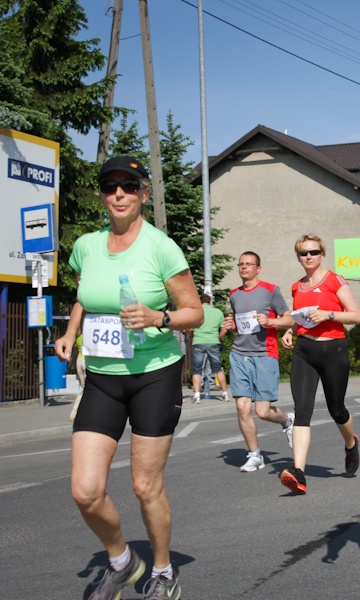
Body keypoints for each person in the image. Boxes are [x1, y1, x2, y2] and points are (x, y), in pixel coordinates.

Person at [54, 156, 203, 600]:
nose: (118, 193)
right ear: (102, 194)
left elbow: (194, 312)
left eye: (129, 186)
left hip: (154, 376)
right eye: (110, 186)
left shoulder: (161, 248)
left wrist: (158, 317)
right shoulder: (86, 246)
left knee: (144, 485)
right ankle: (122, 561)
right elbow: (85, 296)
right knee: (85, 490)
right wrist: (70, 332)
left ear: (143, 194)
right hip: (103, 377)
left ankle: (163, 570)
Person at [278, 234, 360, 495]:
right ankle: (298, 472)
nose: (309, 256)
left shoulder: (335, 280)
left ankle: (350, 443)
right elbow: (301, 317)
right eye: (304, 253)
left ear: (322, 254)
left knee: (337, 409)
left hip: (333, 349)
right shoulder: (297, 287)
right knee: (302, 412)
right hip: (305, 351)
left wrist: (329, 314)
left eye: (314, 252)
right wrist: (291, 330)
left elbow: (356, 316)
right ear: (298, 257)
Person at [223, 251, 295, 473]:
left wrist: (270, 321)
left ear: (258, 269)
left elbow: (289, 319)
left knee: (263, 411)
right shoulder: (234, 294)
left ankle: (287, 421)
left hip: (264, 354)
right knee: (242, 406)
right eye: (241, 264)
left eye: (249, 264)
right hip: (239, 354)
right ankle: (255, 455)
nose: (244, 267)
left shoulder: (270, 290)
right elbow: (241, 326)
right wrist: (232, 327)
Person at [190, 294, 229, 403]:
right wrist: (218, 338)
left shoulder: (196, 312)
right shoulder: (218, 312)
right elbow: (224, 330)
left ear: (199, 301)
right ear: (210, 301)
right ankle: (225, 394)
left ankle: (197, 395)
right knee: (218, 369)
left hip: (198, 342)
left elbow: (190, 329)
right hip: (213, 342)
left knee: (197, 370)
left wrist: (192, 335)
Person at [68, 332, 86, 421]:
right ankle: (75, 412)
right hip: (88, 361)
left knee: (84, 388)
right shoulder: (90, 332)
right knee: (87, 389)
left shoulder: (78, 334)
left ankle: (74, 413)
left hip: (79, 360)